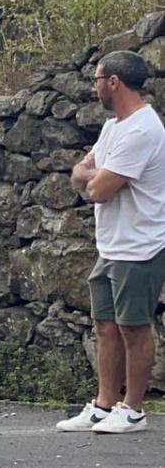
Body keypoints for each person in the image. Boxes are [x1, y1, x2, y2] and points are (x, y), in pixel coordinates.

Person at [60, 50, 165, 435]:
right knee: (105, 325)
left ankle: (133, 409)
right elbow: (81, 174)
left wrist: (91, 176)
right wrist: (90, 176)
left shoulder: (142, 130)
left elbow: (98, 189)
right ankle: (104, 406)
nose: (94, 87)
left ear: (115, 82)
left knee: (134, 328)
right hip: (111, 245)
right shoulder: (113, 127)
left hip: (141, 246)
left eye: (98, 79)